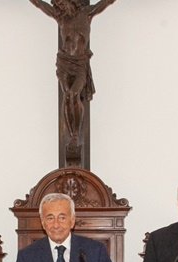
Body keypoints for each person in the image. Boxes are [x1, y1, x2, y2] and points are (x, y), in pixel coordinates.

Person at [29, 0, 116, 151]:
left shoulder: (87, 13)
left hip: (80, 64)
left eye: (62, 4)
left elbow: (106, 2)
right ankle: (72, 136)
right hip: (64, 64)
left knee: (74, 94)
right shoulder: (60, 17)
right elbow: (39, 3)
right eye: (59, 6)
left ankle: (76, 134)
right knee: (68, 95)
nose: (61, 7)